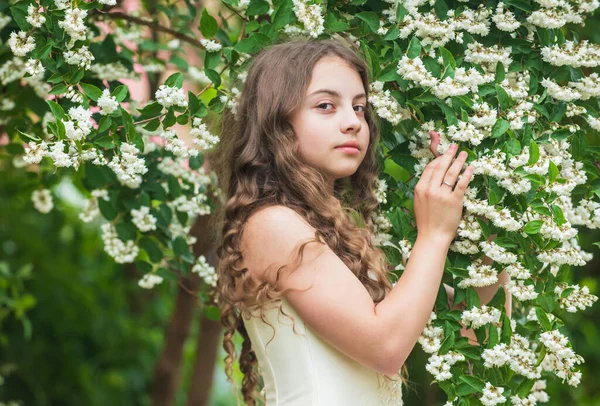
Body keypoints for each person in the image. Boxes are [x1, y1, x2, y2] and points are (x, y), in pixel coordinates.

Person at [211, 38, 475, 406]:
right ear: (276, 123)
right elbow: (385, 346)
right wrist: (434, 234)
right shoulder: (273, 225)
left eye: (360, 108)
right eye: (325, 106)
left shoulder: (339, 234)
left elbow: (473, 326)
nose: (353, 122)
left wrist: (482, 232)